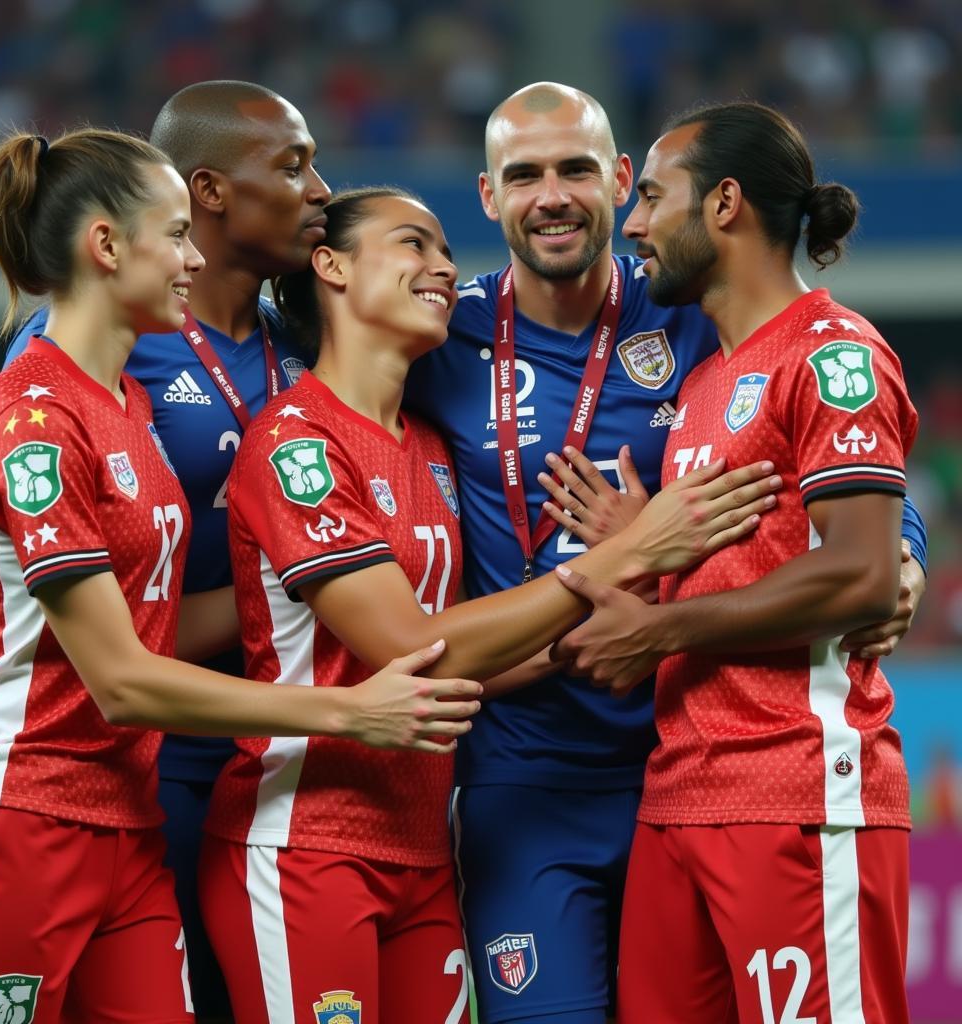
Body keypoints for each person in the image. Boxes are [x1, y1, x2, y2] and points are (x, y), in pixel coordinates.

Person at [405, 82, 928, 1023]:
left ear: (613, 182)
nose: (552, 195)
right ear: (488, 197)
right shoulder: (439, 334)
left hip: (701, 751)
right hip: (541, 776)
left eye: (580, 172)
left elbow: (857, 477)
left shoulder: (695, 314)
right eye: (523, 174)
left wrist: (905, 559)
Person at [196, 186, 782, 1024]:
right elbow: (412, 646)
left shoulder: (430, 446)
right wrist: (632, 552)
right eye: (413, 244)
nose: (442, 267)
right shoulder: (298, 443)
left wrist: (621, 627)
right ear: (329, 265)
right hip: (307, 842)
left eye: (444, 250)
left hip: (422, 846)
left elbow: (467, 664)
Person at [0, 130, 483, 1024]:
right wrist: (348, 708)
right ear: (107, 247)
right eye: (176, 234)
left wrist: (299, 588)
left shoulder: (130, 407)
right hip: (21, 810)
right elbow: (121, 679)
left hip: (129, 818)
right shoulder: (33, 423)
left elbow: (152, 627)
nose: (197, 257)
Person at [553, 101, 917, 1021]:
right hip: (680, 795)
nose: (632, 224)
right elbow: (771, 549)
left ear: (723, 204)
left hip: (799, 787)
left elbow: (861, 572)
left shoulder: (835, 354)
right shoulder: (708, 380)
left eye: (652, 197)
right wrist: (650, 554)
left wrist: (660, 626)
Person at [3, 79, 329, 1021]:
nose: (321, 192)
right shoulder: (87, 365)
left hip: (284, 759)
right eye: (296, 166)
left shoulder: (302, 346)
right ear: (209, 191)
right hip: (149, 755)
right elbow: (93, 637)